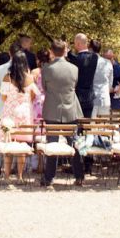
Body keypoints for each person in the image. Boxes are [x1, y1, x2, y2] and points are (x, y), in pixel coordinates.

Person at [40, 40, 84, 187]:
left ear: (51, 51)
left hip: (52, 108)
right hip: (71, 108)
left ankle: (49, 177)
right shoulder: (74, 68)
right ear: (65, 50)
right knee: (74, 143)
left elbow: (44, 87)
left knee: (51, 144)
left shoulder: (47, 68)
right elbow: (75, 85)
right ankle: (79, 176)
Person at [0, 51, 38, 182]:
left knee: (8, 145)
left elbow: (3, 97)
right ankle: (20, 176)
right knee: (22, 147)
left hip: (10, 113)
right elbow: (33, 96)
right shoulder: (30, 78)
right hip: (25, 114)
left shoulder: (7, 77)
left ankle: (7, 176)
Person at [66, 33, 98, 118]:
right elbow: (82, 60)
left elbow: (79, 60)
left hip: (78, 96)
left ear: (78, 44)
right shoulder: (94, 57)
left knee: (77, 125)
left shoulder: (76, 59)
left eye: (75, 43)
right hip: (89, 96)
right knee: (87, 125)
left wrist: (68, 52)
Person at [91, 39, 114, 117]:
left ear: (90, 48)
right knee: (104, 125)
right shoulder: (108, 63)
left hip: (91, 97)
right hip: (104, 97)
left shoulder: (88, 62)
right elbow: (110, 83)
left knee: (90, 125)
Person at [31, 49, 50, 123]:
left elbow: (31, 89)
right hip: (49, 100)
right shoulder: (51, 71)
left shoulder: (34, 72)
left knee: (37, 126)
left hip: (37, 99)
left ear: (38, 60)